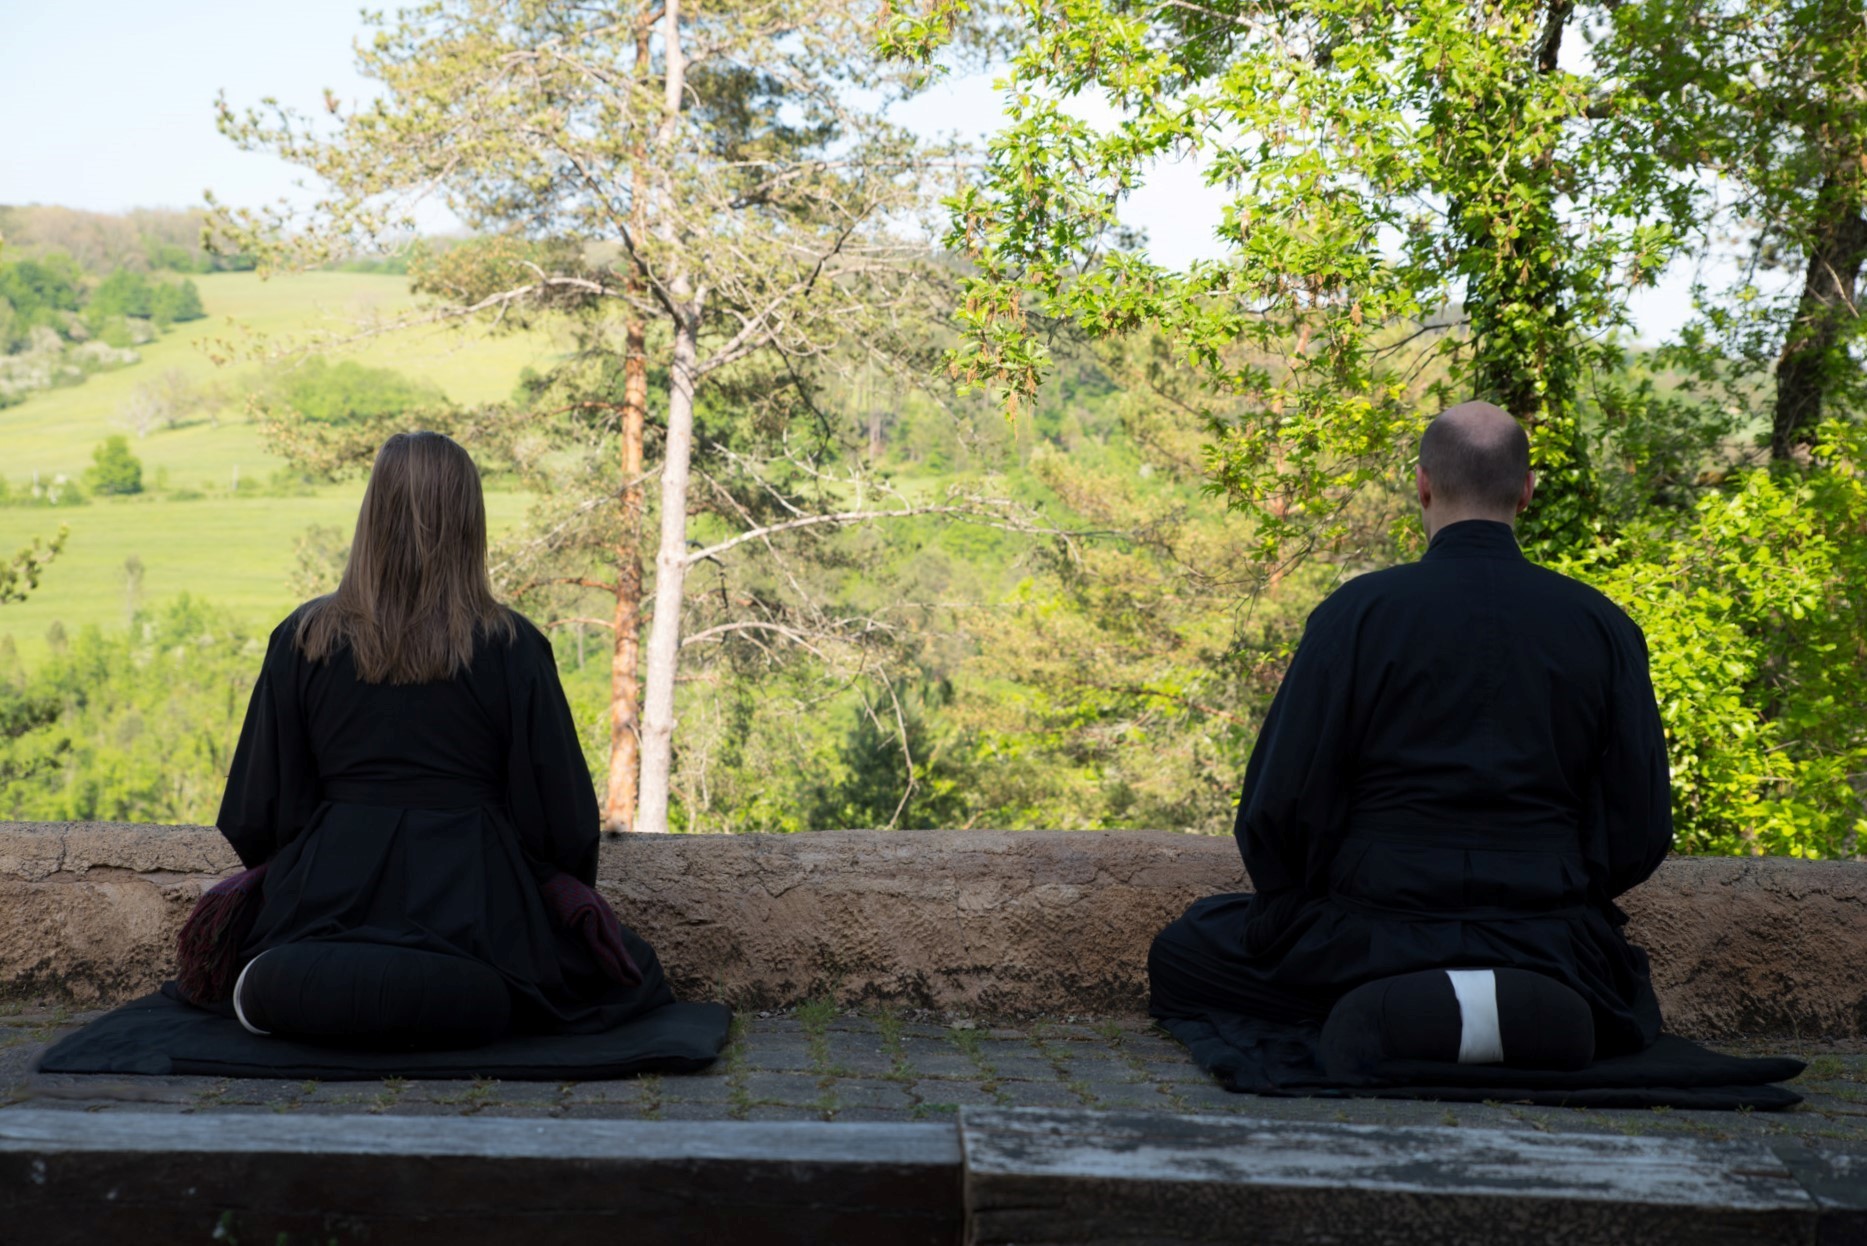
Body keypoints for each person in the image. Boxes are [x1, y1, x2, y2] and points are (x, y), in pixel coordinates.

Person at [1148, 402, 1673, 1074]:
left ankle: (1408, 1007)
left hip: (1371, 931)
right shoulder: (1601, 625)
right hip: (1544, 939)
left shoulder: (1358, 613)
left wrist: (1309, 903)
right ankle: (1505, 1008)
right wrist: (1562, 890)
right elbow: (1641, 823)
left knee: (1187, 949)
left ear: (1422, 485)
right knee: (1608, 975)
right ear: (1526, 490)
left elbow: (1277, 803)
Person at [214, 431, 673, 1048]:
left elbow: (254, 813)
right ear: (469, 520)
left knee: (259, 982)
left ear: (371, 513)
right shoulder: (514, 646)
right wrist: (526, 894)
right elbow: (563, 825)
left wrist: (317, 861)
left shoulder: (303, 639)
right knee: (630, 975)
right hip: (479, 916)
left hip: (316, 910)